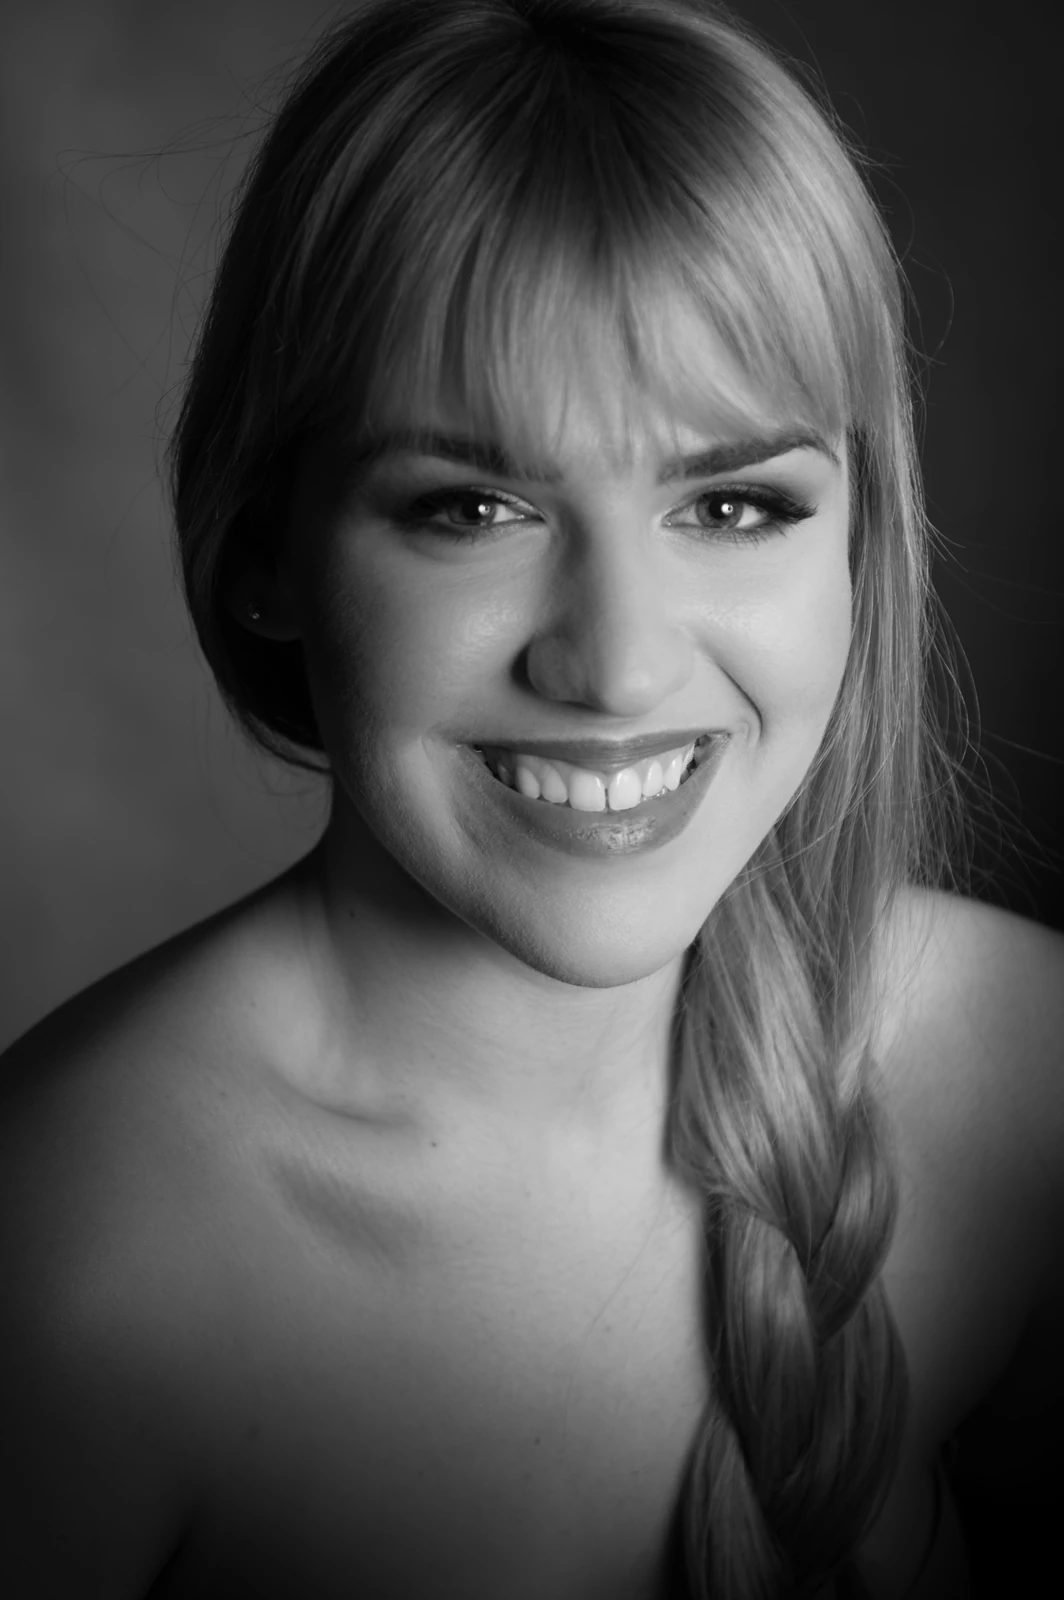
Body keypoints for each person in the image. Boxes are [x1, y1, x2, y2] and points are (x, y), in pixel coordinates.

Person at [2, 1, 1061, 1596]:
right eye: (473, 507)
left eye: (732, 503)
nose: (617, 666)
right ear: (270, 548)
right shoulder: (69, 1269)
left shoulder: (1025, 1079)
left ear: (860, 543)